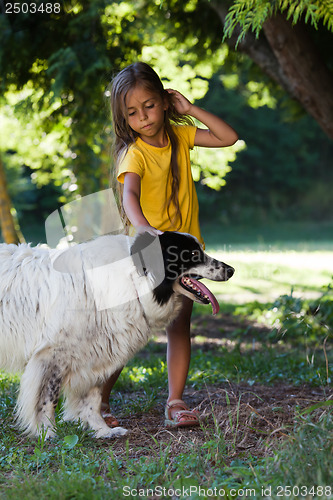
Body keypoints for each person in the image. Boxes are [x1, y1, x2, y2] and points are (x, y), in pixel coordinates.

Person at [102, 61, 238, 428]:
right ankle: (98, 403)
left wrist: (191, 109)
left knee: (179, 326)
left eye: (149, 105)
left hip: (185, 254)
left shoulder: (181, 134)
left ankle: (175, 402)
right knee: (130, 329)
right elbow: (130, 194)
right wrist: (144, 228)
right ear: (124, 118)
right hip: (149, 251)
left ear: (164, 101)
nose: (143, 117)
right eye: (132, 112)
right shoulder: (135, 153)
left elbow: (228, 137)